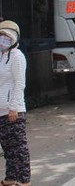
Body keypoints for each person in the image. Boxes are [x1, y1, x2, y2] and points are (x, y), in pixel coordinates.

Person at [0, 21, 30, 186]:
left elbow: (20, 83)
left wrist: (14, 108)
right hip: (0, 109)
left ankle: (24, 180)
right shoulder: (0, 56)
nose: (3, 39)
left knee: (19, 147)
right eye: (1, 36)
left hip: (14, 110)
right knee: (8, 148)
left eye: (6, 36)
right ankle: (11, 178)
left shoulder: (17, 56)